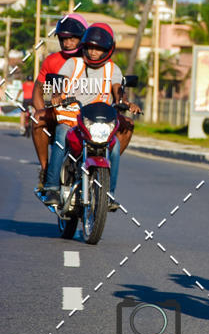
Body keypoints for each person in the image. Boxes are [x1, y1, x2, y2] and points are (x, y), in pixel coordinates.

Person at [43, 23, 140, 212]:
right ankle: (52, 188)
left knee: (114, 147)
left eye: (99, 48)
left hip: (99, 121)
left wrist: (126, 103)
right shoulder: (73, 64)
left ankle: (108, 194)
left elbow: (118, 90)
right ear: (84, 47)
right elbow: (60, 84)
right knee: (61, 136)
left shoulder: (113, 69)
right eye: (90, 47)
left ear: (107, 50)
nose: (94, 52)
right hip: (72, 118)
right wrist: (57, 95)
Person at [32, 12, 88, 189]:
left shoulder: (94, 58)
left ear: (83, 37)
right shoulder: (52, 61)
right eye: (63, 39)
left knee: (125, 127)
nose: (67, 43)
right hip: (61, 113)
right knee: (37, 119)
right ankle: (45, 170)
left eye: (72, 38)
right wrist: (42, 110)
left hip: (87, 116)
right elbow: (38, 89)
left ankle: (104, 174)